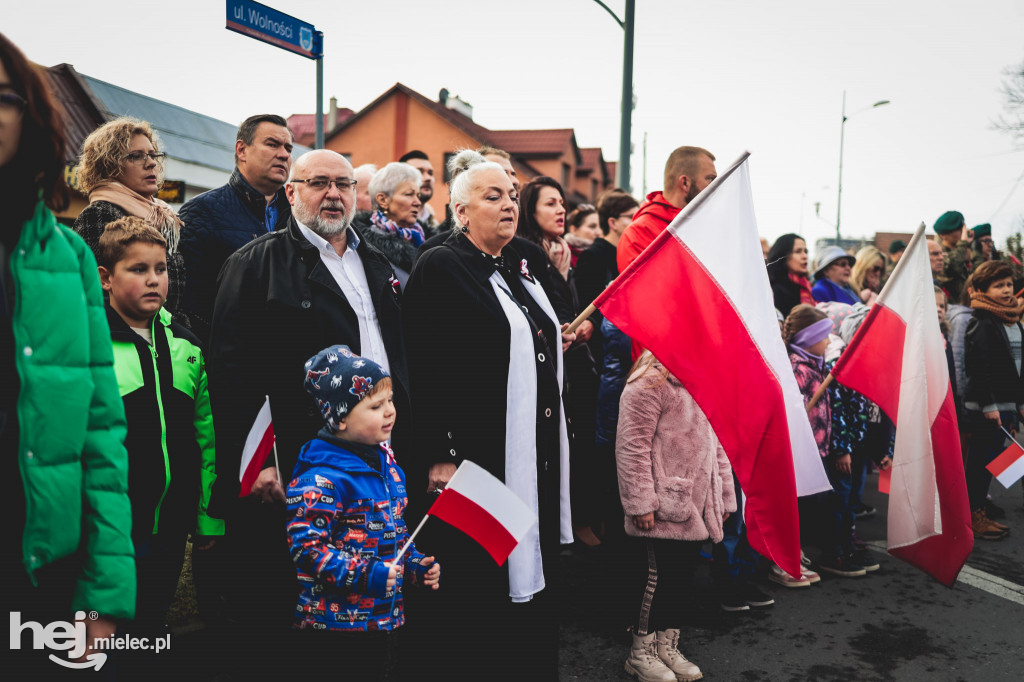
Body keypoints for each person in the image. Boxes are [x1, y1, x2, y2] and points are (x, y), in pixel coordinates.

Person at [206, 149, 409, 674]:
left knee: (370, 586)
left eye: (343, 183)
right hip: (303, 460)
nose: (334, 194)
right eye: (319, 183)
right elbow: (232, 376)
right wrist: (258, 461)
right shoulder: (255, 264)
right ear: (291, 192)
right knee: (302, 606)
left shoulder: (377, 262)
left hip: (377, 455)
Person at [403, 153, 574, 681]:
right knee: (481, 576)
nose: (508, 204)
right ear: (459, 209)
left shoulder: (514, 262)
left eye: (511, 195)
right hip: (476, 452)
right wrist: (439, 452)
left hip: (531, 446)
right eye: (492, 196)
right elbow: (422, 364)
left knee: (528, 561)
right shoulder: (442, 264)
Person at [1, 32, 134, 671]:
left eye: (2, 97)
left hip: (39, 572)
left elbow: (101, 433)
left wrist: (105, 595)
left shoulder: (70, 256)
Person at [96, 217, 222, 669]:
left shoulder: (187, 347)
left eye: (161, 268)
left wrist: (207, 519)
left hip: (170, 524)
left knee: (150, 626)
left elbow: (207, 440)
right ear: (105, 277)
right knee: (104, 634)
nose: (153, 279)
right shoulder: (92, 347)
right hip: (109, 529)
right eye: (138, 269)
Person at [286, 345, 440, 680]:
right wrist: (369, 575)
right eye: (374, 406)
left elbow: (397, 535)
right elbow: (307, 549)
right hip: (331, 630)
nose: (389, 412)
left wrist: (414, 565)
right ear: (339, 418)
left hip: (382, 622)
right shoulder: (321, 478)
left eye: (390, 401)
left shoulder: (389, 468)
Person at [615, 352, 736, 682]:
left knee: (680, 580)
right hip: (663, 507)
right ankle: (641, 652)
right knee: (654, 580)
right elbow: (632, 445)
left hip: (695, 508)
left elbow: (717, 445)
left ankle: (667, 645)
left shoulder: (701, 385)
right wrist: (640, 502)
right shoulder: (648, 383)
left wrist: (724, 494)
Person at [517, 176, 599, 546]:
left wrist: (587, 326)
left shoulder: (563, 251)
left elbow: (574, 305)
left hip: (575, 361)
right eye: (550, 203)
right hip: (547, 365)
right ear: (530, 210)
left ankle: (575, 518)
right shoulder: (524, 255)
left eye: (562, 202)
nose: (561, 209)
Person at [178, 114, 294, 343]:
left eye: (288, 148)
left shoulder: (300, 216)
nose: (284, 154)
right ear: (242, 150)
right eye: (272, 144)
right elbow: (187, 307)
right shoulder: (200, 213)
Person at [72, 117, 188, 324]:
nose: (151, 163)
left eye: (153, 155)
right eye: (136, 156)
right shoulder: (99, 215)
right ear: (108, 165)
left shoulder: (162, 215)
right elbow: (98, 298)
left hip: (169, 340)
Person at [784, 304, 866, 577]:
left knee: (812, 505)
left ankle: (802, 552)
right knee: (794, 507)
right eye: (823, 336)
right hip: (801, 452)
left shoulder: (817, 365)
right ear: (808, 339)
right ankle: (787, 557)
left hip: (819, 449)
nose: (829, 341)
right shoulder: (799, 370)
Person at [963, 260, 1022, 540]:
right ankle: (972, 515)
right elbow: (979, 368)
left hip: (1007, 406)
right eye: (999, 286)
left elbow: (1017, 368)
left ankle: (979, 511)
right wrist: (989, 406)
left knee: (992, 461)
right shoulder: (982, 322)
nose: (1007, 290)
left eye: (1009, 284)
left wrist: (1020, 404)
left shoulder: (1012, 321)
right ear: (981, 290)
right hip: (988, 408)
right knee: (980, 462)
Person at [617, 146, 717, 273]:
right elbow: (648, 289)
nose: (715, 188)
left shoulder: (704, 227)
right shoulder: (638, 234)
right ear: (685, 183)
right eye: (710, 179)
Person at [350, 162, 424, 288]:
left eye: (418, 195)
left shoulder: (422, 236)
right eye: (409, 194)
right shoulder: (367, 248)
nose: (418, 202)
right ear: (383, 200)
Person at [767, 233, 814, 316]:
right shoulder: (774, 289)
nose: (805, 256)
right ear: (783, 255)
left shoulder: (807, 286)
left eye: (805, 251)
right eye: (798, 251)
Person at [934, 210, 975, 302]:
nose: (963, 233)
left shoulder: (961, 252)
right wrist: (963, 243)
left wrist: (968, 246)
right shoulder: (939, 255)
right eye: (959, 230)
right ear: (943, 235)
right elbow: (952, 266)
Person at [398, 149, 438, 232]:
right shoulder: (386, 224)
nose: (428, 178)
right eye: (419, 172)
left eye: (430, 173)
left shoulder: (434, 224)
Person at [564, 203, 599, 267]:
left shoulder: (602, 253)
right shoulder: (562, 254)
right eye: (592, 226)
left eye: (600, 227)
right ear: (574, 229)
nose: (598, 232)